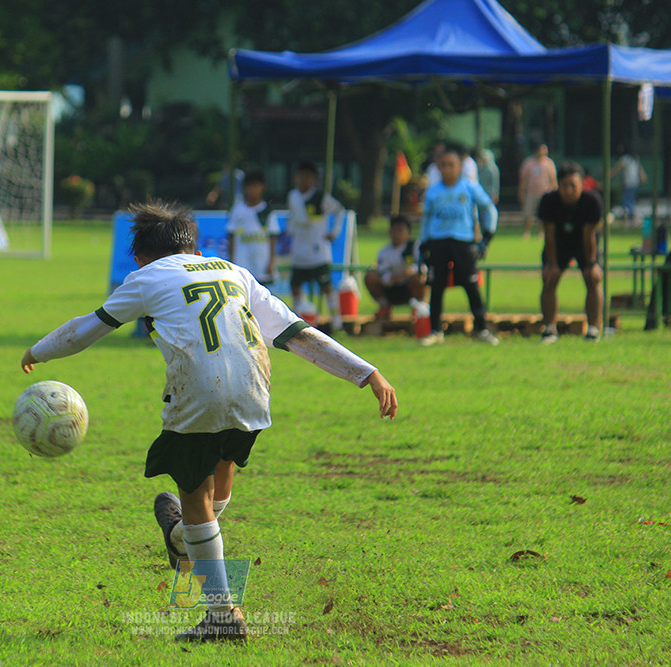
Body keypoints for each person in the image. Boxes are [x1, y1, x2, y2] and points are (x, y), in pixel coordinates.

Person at [20, 201, 397, 643]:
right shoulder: (234, 270)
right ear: (196, 251)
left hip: (199, 392)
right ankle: (183, 535)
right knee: (218, 479)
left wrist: (39, 351)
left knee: (196, 497)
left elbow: (88, 328)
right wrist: (365, 372)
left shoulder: (143, 278)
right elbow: (295, 332)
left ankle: (222, 613)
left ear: (140, 257)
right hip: (255, 390)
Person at [418, 147, 499, 346]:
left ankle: (481, 328)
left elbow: (488, 208)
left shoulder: (469, 187)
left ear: (459, 167)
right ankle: (435, 330)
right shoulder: (433, 192)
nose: (447, 169)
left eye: (451, 165)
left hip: (463, 242)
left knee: (471, 284)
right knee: (436, 286)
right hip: (438, 241)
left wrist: (487, 236)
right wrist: (423, 244)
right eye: (443, 165)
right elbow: (426, 221)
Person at [538, 162, 604, 343]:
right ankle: (549, 329)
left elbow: (589, 236)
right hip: (558, 245)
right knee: (549, 279)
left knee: (593, 278)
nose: (568, 190)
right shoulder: (548, 201)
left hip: (585, 245)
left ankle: (593, 329)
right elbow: (549, 236)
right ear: (558, 185)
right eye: (564, 186)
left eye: (573, 186)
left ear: (582, 184)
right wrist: (551, 265)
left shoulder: (592, 202)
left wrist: (591, 264)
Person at [286, 161, 345, 330]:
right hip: (299, 250)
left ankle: (337, 322)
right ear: (296, 178)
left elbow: (340, 211)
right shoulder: (293, 196)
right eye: (301, 176)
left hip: (318, 250)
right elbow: (294, 217)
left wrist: (334, 232)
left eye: (308, 177)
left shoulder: (321, 197)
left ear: (314, 179)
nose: (304, 180)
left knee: (327, 287)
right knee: (295, 286)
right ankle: (297, 322)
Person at [364, 215, 426, 318]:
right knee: (370, 276)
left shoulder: (415, 247)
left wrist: (409, 272)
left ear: (408, 233)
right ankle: (384, 306)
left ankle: (417, 307)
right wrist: (393, 279)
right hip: (390, 287)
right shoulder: (384, 252)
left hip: (409, 286)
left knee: (419, 278)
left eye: (400, 231)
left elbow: (422, 267)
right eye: (394, 230)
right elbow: (382, 271)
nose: (396, 234)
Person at [226, 169, 280, 284]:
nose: (252, 190)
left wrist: (271, 262)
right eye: (249, 186)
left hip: (262, 263)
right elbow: (231, 236)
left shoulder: (267, 211)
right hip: (242, 263)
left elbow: (273, 238)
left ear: (262, 187)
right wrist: (231, 262)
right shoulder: (237, 210)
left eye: (256, 186)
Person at [518, 143, 557, 240]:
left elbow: (553, 179)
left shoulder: (549, 163)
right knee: (528, 214)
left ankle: (542, 233)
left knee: (544, 215)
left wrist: (555, 192)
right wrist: (521, 192)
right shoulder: (528, 163)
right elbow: (523, 179)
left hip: (545, 193)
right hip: (531, 193)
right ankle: (526, 232)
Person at [608, 145, 646, 225]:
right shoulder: (634, 159)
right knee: (629, 200)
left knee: (626, 200)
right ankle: (631, 217)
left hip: (629, 183)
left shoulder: (625, 159)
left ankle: (635, 216)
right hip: (635, 183)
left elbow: (615, 170)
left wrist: (608, 176)